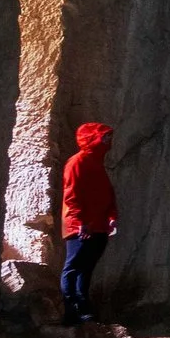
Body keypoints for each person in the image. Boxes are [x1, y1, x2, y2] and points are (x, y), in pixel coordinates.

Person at [59, 121, 117, 327]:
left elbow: (107, 195)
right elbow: (72, 196)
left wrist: (111, 216)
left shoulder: (97, 164)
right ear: (93, 138)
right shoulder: (77, 163)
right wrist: (80, 222)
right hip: (81, 227)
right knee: (73, 267)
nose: (109, 140)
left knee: (87, 268)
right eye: (105, 136)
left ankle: (84, 308)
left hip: (98, 226)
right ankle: (71, 310)